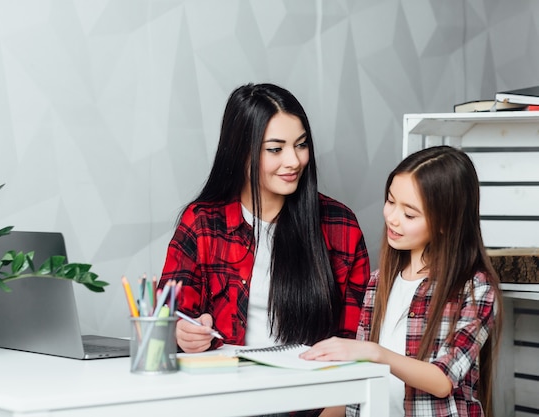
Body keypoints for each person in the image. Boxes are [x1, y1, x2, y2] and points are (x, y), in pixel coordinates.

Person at [159, 83, 370, 355]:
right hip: (226, 387)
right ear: (241, 152)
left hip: (314, 388)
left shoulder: (340, 225)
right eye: (275, 149)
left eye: (301, 145)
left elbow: (358, 337)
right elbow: (166, 318)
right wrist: (181, 332)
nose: (294, 161)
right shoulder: (203, 223)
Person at [301, 145, 503, 417]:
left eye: (409, 214)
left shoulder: (474, 288)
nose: (392, 218)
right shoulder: (379, 281)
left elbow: (442, 380)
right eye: (390, 201)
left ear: (446, 222)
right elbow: (357, 383)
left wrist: (375, 353)